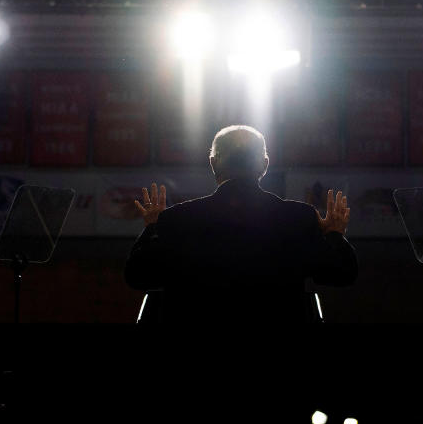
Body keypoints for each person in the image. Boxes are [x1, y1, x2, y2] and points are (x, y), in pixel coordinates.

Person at [124, 124, 357, 323]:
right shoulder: (298, 217)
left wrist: (152, 228)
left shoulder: (177, 219)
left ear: (213, 163)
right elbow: (341, 274)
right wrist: (335, 235)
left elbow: (138, 276)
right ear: (264, 165)